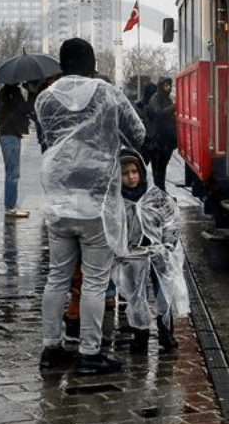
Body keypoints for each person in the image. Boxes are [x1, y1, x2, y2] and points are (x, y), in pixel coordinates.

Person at [35, 38, 147, 375]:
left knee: (57, 277)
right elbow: (138, 133)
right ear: (92, 61)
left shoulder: (44, 98)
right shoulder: (107, 93)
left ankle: (51, 348)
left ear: (61, 64)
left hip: (58, 197)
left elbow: (50, 139)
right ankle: (89, 352)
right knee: (96, 281)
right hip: (96, 200)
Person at [114, 149, 189, 351]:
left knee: (164, 294)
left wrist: (167, 246)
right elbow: (112, 230)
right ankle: (141, 335)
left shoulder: (155, 197)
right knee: (136, 297)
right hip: (132, 256)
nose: (131, 177)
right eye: (125, 173)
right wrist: (121, 251)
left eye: (134, 172)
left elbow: (170, 222)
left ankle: (166, 332)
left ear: (141, 172)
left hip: (158, 254)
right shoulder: (115, 202)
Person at [0, 84, 30, 218]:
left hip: (6, 132)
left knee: (11, 171)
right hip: (10, 133)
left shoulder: (3, 93)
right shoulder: (13, 93)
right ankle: (10, 207)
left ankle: (10, 205)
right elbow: (22, 110)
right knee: (13, 172)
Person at [144, 77, 177, 192]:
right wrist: (174, 107)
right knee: (158, 170)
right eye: (165, 85)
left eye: (169, 85)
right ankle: (159, 193)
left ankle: (161, 192)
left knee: (161, 170)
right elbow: (159, 113)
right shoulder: (156, 98)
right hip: (158, 142)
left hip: (166, 141)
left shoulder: (166, 99)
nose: (168, 88)